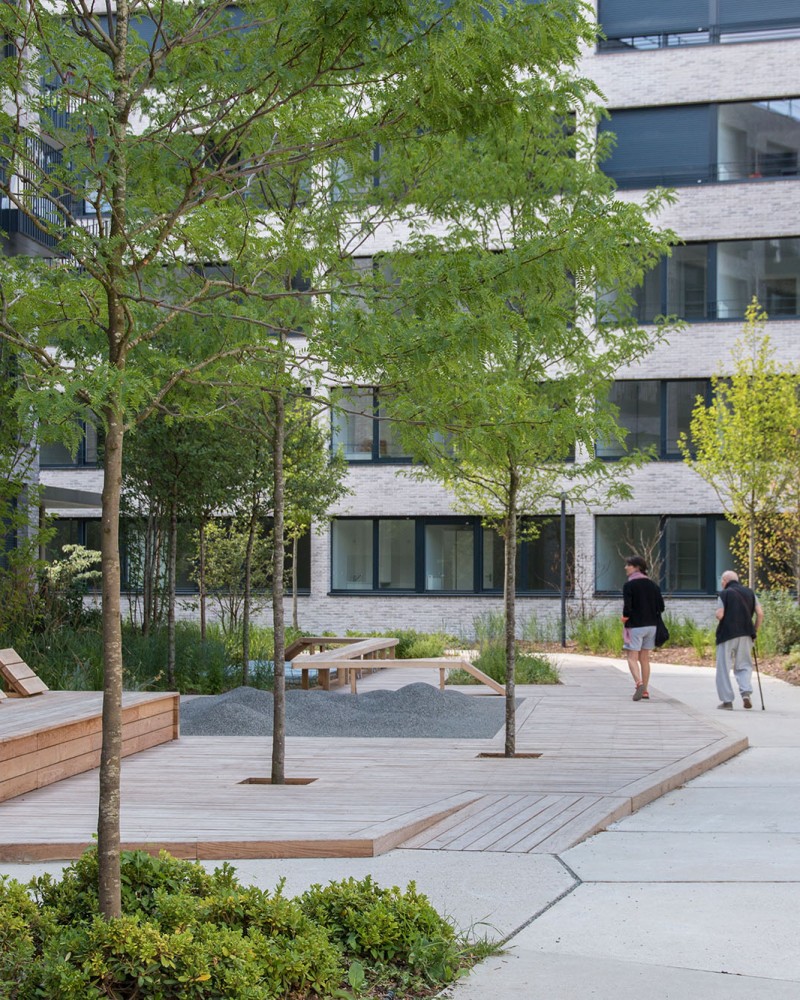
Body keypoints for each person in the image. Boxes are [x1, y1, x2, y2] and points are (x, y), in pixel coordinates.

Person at [715, 570, 764, 710]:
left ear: (725, 581)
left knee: (724, 667)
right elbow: (760, 614)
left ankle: (727, 701)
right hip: (746, 634)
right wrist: (754, 630)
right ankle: (746, 693)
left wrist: (716, 613)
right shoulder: (750, 593)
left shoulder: (724, 594)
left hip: (727, 635)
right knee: (744, 666)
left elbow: (720, 615)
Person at [621, 555, 665, 702]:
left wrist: (625, 617)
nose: (626, 567)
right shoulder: (654, 586)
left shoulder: (629, 586)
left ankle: (638, 683)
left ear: (637, 567)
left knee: (632, 657)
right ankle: (645, 690)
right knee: (645, 659)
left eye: (629, 565)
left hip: (635, 626)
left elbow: (628, 607)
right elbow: (661, 607)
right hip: (652, 626)